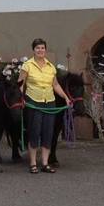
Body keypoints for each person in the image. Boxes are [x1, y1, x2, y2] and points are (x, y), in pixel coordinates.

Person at [17, 38, 72, 174]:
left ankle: (45, 163)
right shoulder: (27, 66)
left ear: (45, 50)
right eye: (37, 48)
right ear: (33, 50)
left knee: (48, 133)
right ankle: (33, 163)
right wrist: (21, 98)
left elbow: (55, 85)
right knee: (34, 132)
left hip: (49, 103)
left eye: (42, 48)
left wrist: (66, 98)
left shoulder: (51, 67)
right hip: (33, 102)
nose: (40, 50)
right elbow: (20, 84)